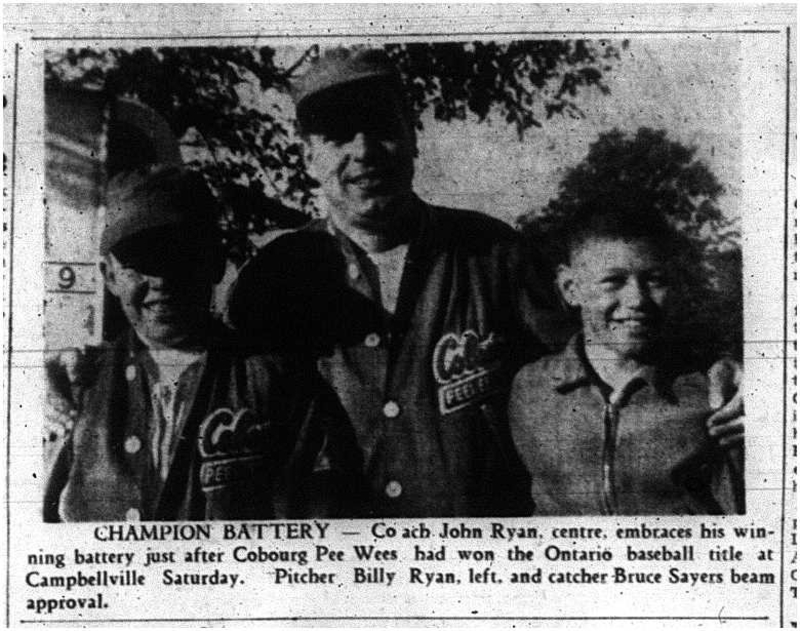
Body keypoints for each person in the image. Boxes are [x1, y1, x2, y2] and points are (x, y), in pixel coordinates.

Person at [44, 165, 362, 521]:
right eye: (140, 260)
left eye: (179, 254)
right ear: (110, 276)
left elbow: (328, 525)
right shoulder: (76, 386)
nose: (162, 279)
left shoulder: (283, 384)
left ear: (215, 262)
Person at [509, 208, 745, 515]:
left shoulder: (713, 395)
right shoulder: (530, 388)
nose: (637, 299)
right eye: (614, 280)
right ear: (570, 288)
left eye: (654, 280)